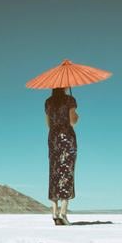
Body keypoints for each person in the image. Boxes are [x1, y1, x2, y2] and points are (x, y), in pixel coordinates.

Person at [45, 87, 79, 225]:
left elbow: (48, 124)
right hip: (66, 137)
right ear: (64, 86)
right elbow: (73, 121)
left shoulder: (48, 102)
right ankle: (63, 212)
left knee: (54, 172)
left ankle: (54, 213)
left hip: (53, 138)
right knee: (66, 172)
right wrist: (76, 114)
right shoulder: (69, 100)